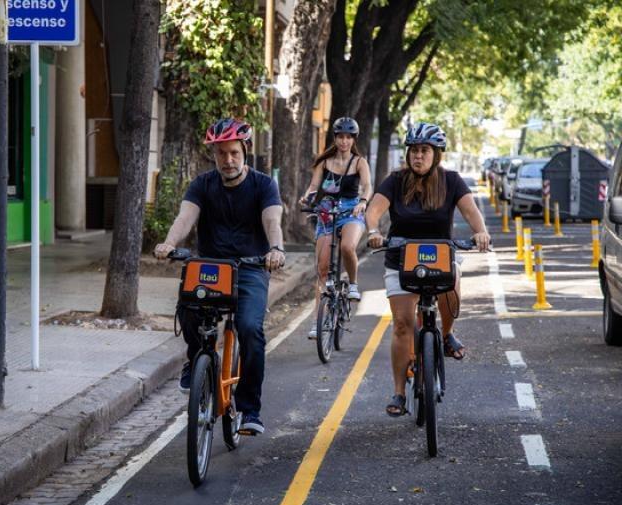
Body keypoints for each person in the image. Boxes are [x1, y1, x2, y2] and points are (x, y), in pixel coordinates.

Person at [154, 118, 285, 435]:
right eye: (221, 153)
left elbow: (272, 221)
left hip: (251, 267)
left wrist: (276, 248)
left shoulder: (264, 185)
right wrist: (170, 243)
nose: (228, 160)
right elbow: (186, 217)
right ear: (213, 154)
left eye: (234, 153)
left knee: (250, 329)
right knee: (187, 306)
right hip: (211, 268)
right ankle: (196, 359)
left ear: (246, 151)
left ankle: (250, 409)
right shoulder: (202, 184)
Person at [365, 122, 491, 417]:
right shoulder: (395, 181)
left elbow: (471, 212)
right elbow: (374, 211)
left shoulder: (452, 181)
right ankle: (398, 392)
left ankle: (446, 335)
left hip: (440, 256)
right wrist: (373, 231)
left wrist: (481, 233)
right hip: (399, 258)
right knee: (402, 325)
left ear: (437, 154)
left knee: (454, 281)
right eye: (414, 151)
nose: (418, 156)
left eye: (424, 151)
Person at [300, 117, 372, 339]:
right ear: (335, 138)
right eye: (340, 136)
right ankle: (317, 322)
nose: (344, 141)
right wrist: (307, 198)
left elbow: (368, 185)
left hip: (351, 211)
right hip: (326, 211)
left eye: (348, 137)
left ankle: (352, 284)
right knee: (322, 269)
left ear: (353, 139)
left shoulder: (359, 162)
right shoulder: (324, 162)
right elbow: (313, 187)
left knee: (347, 247)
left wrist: (362, 201)